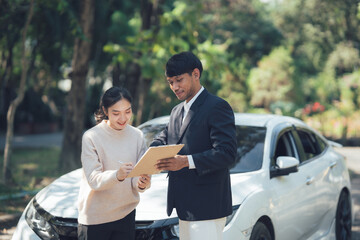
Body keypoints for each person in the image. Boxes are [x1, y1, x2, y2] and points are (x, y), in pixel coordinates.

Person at [152, 51, 237, 240]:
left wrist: (186, 161)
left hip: (208, 205)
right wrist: (150, 153)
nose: (174, 87)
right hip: (183, 206)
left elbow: (227, 153)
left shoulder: (217, 106)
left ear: (196, 74)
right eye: (170, 82)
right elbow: (164, 138)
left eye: (179, 80)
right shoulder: (176, 111)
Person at [77, 86, 151, 240]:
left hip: (126, 215)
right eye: (116, 113)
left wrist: (142, 183)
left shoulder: (137, 136)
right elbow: (93, 180)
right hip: (95, 219)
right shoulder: (91, 137)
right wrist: (117, 175)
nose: (123, 118)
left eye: (128, 111)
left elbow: (137, 177)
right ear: (105, 110)